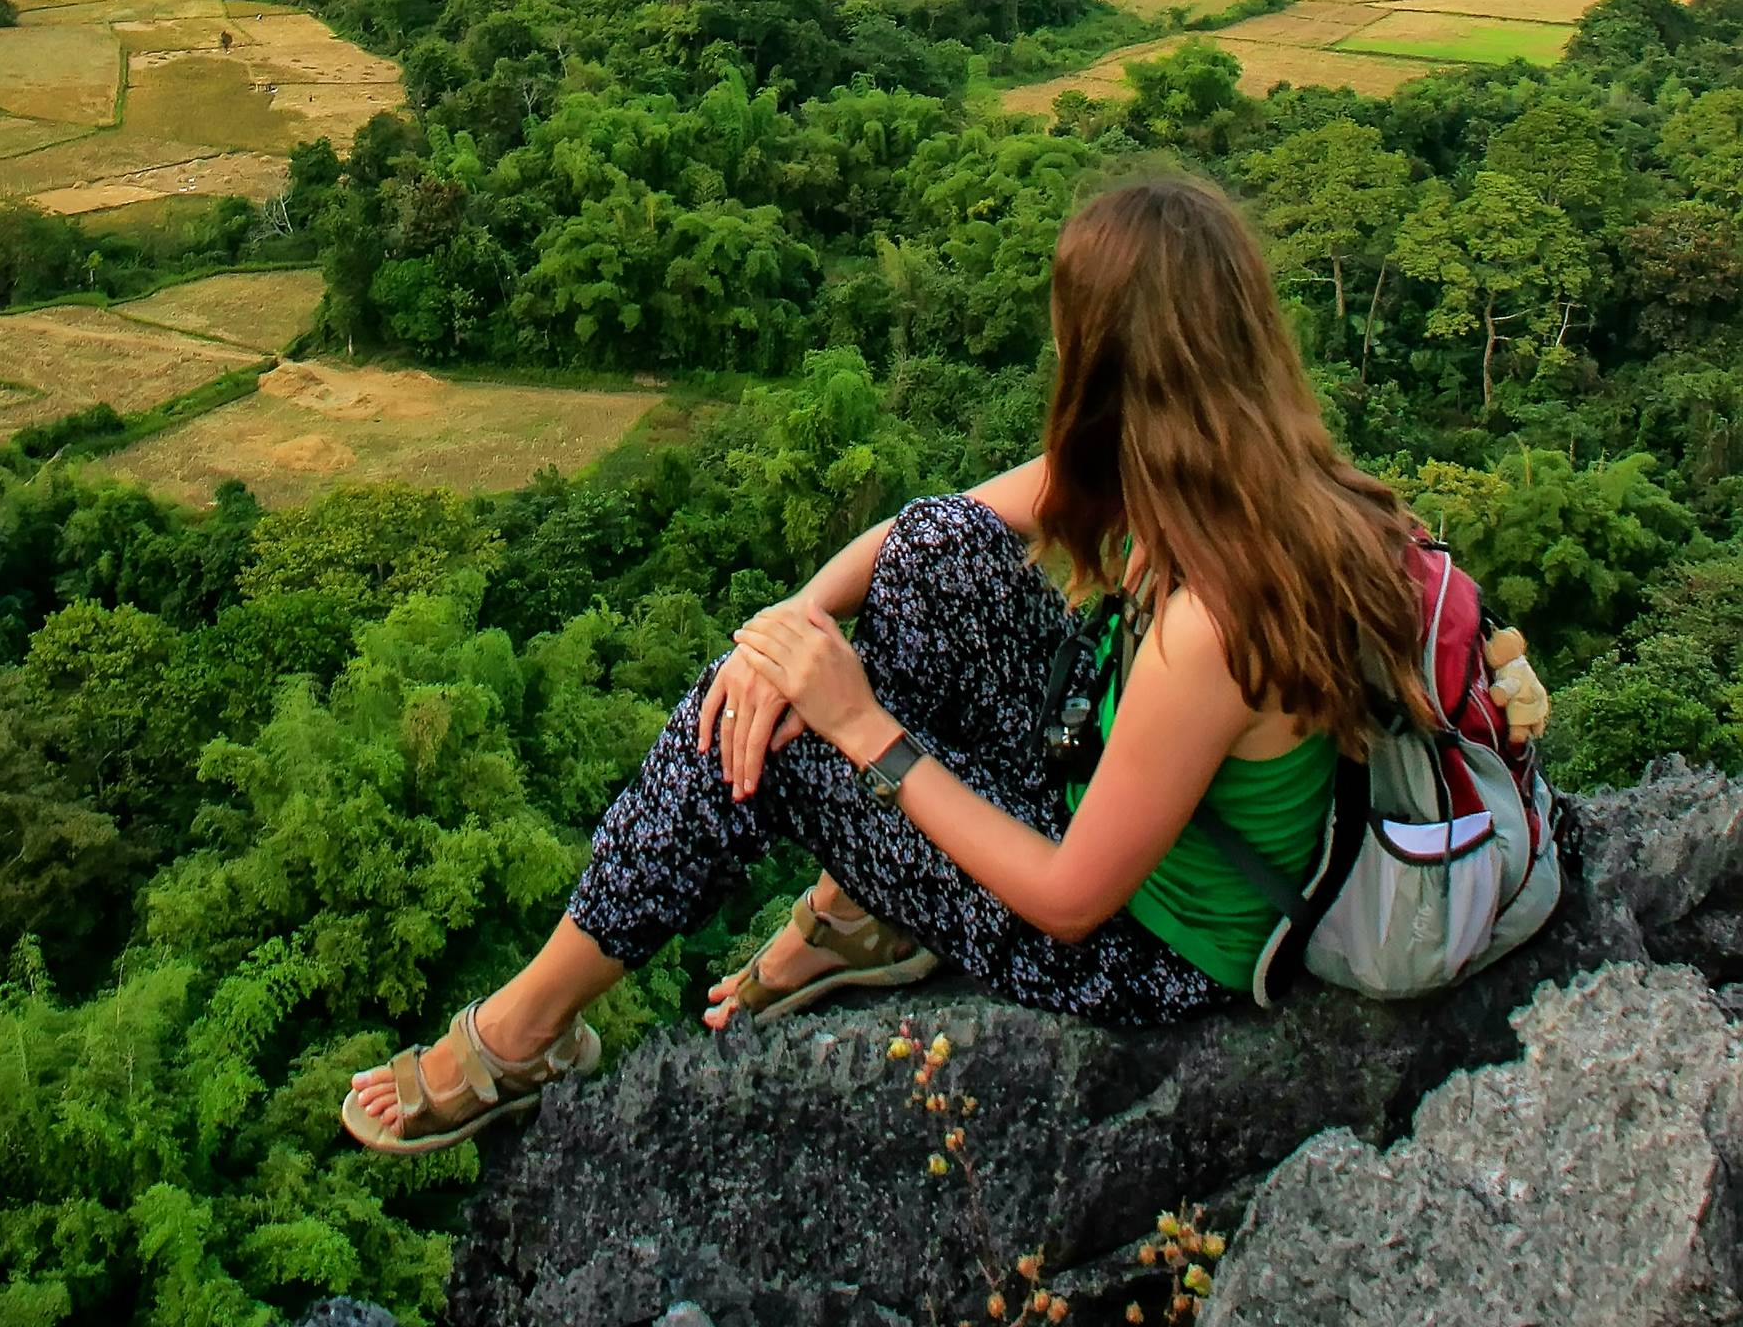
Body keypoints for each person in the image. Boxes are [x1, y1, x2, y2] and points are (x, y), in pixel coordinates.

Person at [344, 174, 1436, 1154]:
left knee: (774, 745)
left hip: (1138, 949)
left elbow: (1067, 903)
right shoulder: (1245, 472)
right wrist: (785, 627)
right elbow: (930, 529)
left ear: (1106, 363)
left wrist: (861, 726)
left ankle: (524, 1032)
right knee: (931, 553)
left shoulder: (1213, 622)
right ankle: (868, 906)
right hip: (1122, 811)